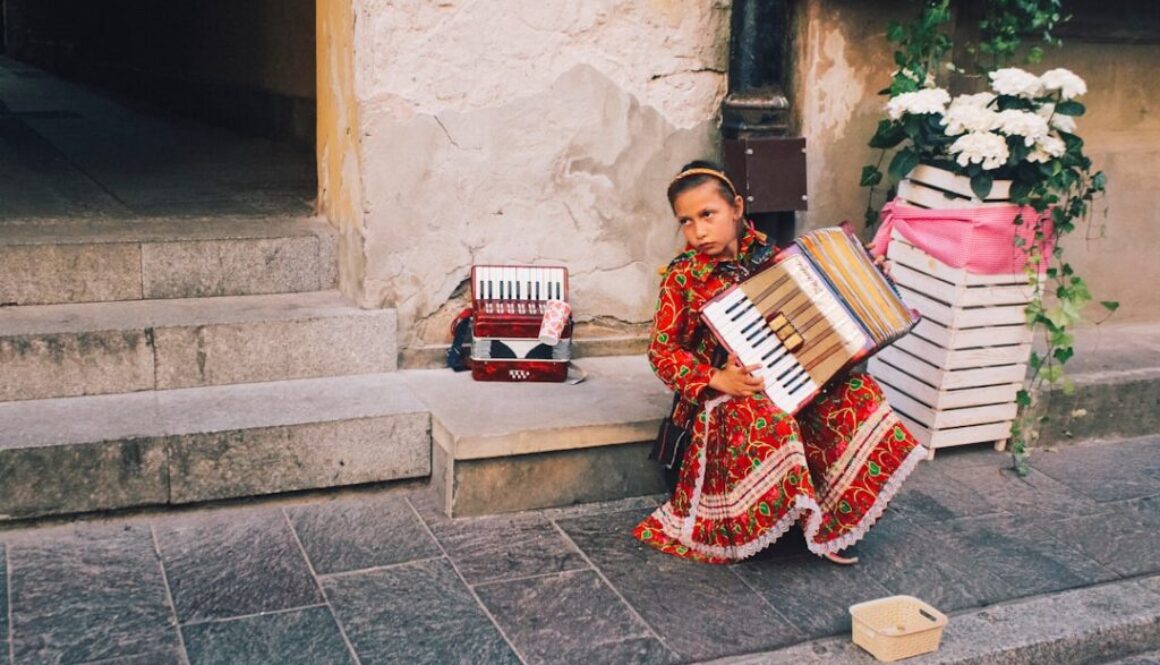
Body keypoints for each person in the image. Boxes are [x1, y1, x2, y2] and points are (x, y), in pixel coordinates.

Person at [634, 160, 927, 565]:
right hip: (718, 400)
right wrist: (718, 377)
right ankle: (764, 520)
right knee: (768, 415)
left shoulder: (775, 257)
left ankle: (832, 521)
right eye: (685, 221)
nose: (698, 231)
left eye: (708, 215)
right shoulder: (683, 276)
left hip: (791, 378)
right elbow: (662, 352)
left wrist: (870, 279)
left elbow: (819, 325)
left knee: (859, 393)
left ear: (736, 208)